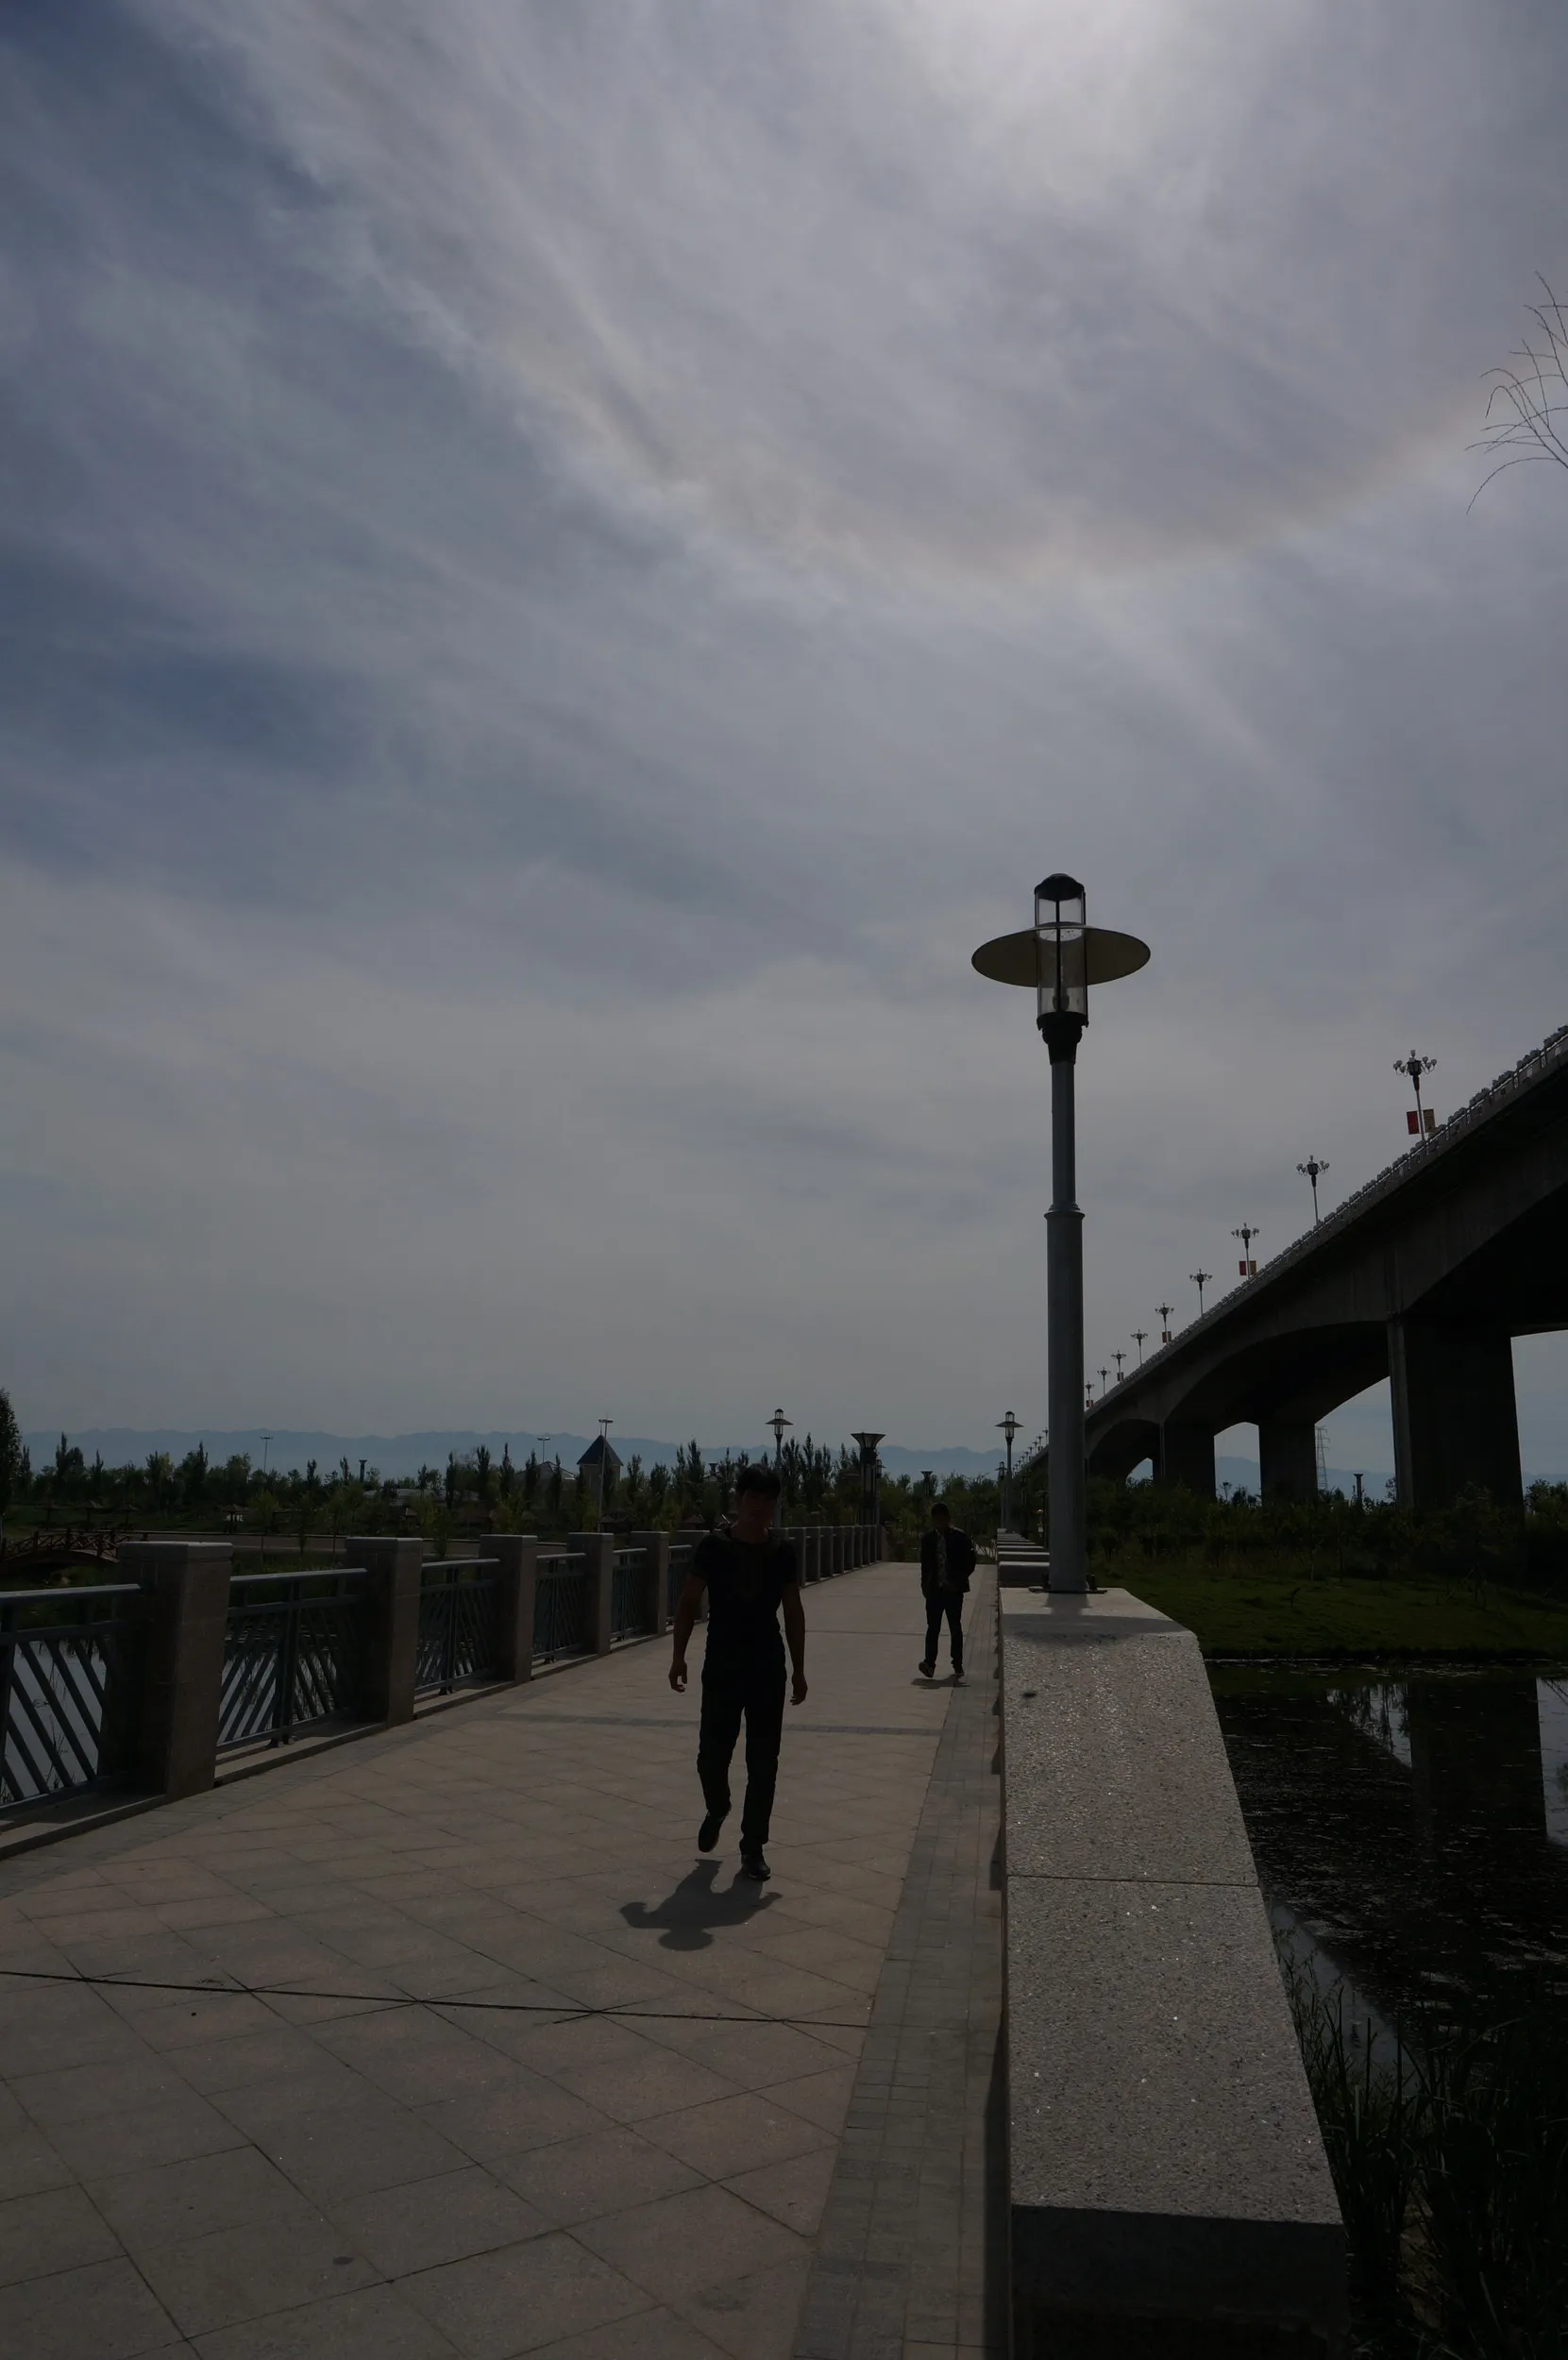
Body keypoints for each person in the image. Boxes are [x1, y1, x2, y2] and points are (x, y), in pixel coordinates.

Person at [668, 1464, 807, 1880]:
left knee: (764, 1761)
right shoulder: (713, 1548)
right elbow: (690, 1601)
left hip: (767, 1665)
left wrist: (800, 1669)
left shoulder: (782, 1552)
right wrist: (679, 1656)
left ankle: (753, 1847)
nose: (760, 1508)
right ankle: (717, 1805)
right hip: (723, 1665)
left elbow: (793, 1610)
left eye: (769, 1501)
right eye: (753, 1499)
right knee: (711, 1757)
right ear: (738, 1500)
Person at [919, 1501, 974, 1682]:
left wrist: (957, 1583)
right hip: (935, 1590)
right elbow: (925, 1566)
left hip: (953, 1591)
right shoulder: (928, 1540)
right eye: (936, 1519)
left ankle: (957, 1663)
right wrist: (924, 1585)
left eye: (943, 1519)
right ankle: (929, 1664)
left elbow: (970, 1562)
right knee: (932, 1628)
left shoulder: (960, 1538)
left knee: (955, 1628)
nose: (940, 1523)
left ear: (948, 1519)